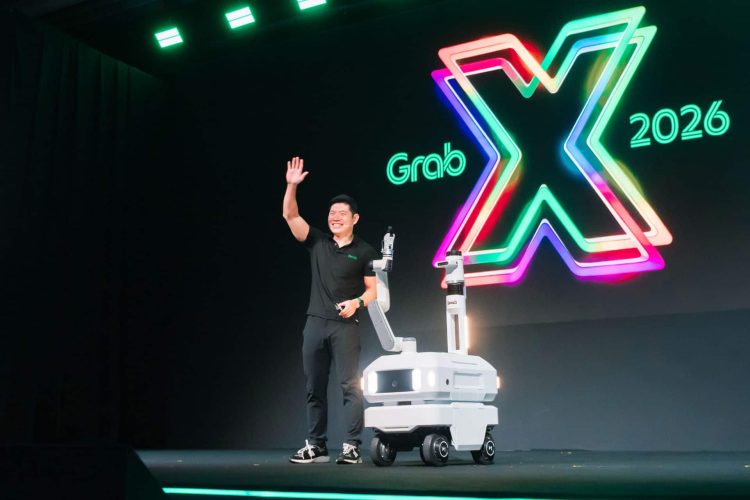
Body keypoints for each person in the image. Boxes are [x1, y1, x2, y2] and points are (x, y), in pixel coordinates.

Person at [283, 156, 378, 464]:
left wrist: (357, 303)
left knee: (350, 386)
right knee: (314, 387)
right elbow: (290, 215)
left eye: (341, 213)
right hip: (315, 323)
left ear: (355, 218)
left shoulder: (365, 251)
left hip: (345, 326)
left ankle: (352, 446)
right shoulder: (318, 242)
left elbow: (373, 290)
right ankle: (316, 445)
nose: (335, 217)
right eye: (331, 213)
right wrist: (292, 186)